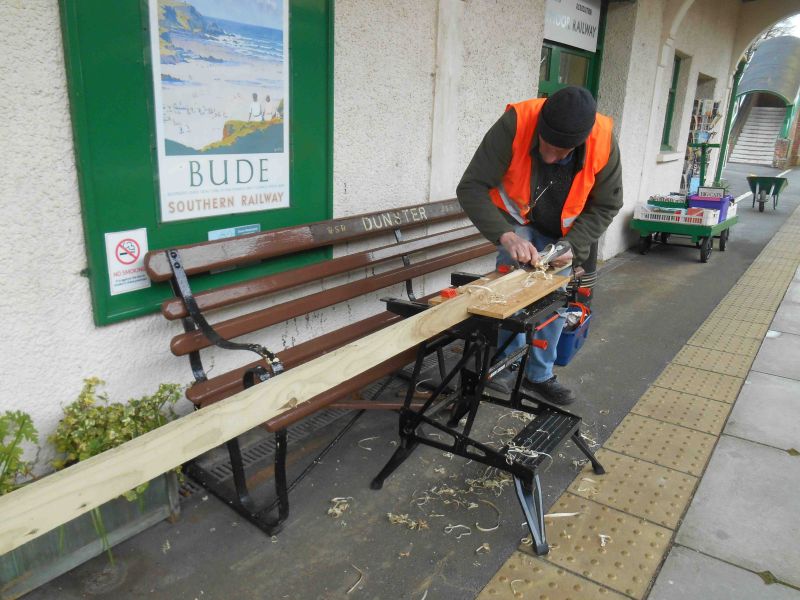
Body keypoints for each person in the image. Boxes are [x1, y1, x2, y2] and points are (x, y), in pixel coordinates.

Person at [456, 86, 623, 405]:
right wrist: (506, 235)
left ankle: (539, 375)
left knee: (554, 302)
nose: (550, 157)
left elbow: (607, 204)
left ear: (579, 143)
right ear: (540, 127)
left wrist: (572, 244)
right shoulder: (515, 123)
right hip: (517, 221)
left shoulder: (602, 139)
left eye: (561, 153)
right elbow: (471, 187)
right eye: (546, 146)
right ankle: (503, 365)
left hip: (565, 232)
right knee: (510, 291)